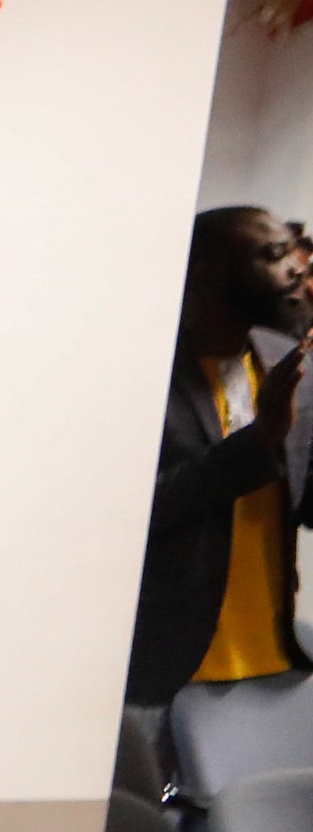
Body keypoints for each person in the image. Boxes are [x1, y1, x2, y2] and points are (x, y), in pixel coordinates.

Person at [129, 206, 313, 711]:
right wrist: (259, 442)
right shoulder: (141, 372)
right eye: (274, 254)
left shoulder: (289, 361)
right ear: (208, 271)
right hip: (162, 675)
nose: (297, 268)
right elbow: (131, 512)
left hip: (274, 666)